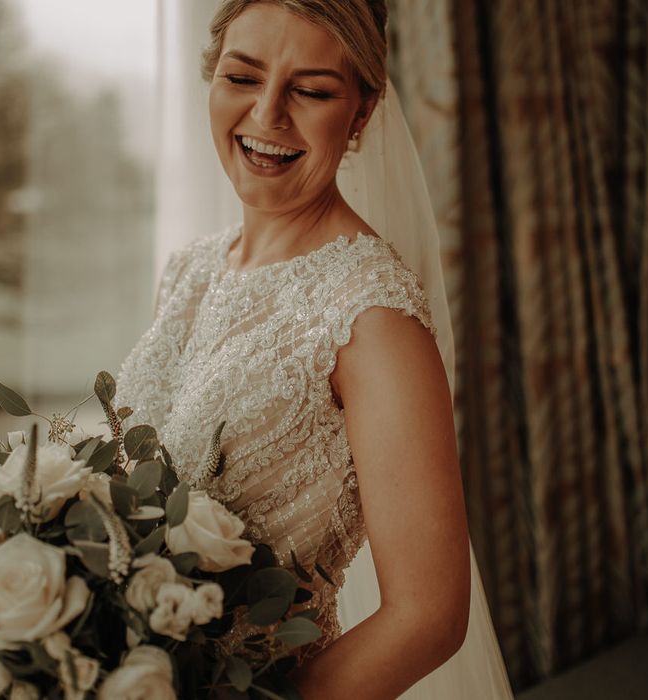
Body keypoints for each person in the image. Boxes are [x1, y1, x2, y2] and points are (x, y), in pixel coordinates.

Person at [115, 1, 514, 697]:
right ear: (211, 76)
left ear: (361, 114)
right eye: (243, 77)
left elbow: (429, 615)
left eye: (311, 91)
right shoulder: (189, 269)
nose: (267, 116)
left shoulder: (373, 318)